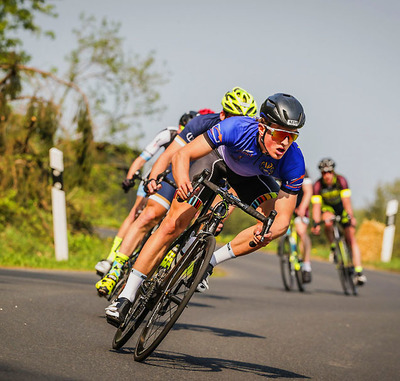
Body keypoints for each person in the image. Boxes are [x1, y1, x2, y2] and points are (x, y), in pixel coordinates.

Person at [105, 92, 307, 325]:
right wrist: (183, 182)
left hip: (250, 179)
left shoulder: (294, 160)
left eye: (292, 137)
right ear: (262, 126)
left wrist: (269, 231)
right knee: (173, 225)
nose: (285, 143)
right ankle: (125, 296)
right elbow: (184, 154)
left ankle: (209, 262)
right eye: (280, 134)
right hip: (216, 161)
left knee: (271, 227)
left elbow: (283, 219)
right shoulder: (236, 127)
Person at [97, 87, 257, 298]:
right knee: (150, 214)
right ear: (223, 115)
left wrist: (221, 217)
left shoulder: (248, 141)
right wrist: (154, 177)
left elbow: (236, 188)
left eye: (244, 120)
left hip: (208, 180)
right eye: (235, 118)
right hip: (179, 172)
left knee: (198, 225)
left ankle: (163, 281)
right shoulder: (202, 123)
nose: (239, 124)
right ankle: (115, 269)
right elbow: (171, 154)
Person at [94, 111, 198, 278]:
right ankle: (111, 257)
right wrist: (130, 176)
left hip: (172, 183)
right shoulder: (168, 134)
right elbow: (143, 157)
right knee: (137, 212)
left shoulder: (196, 143)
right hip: (154, 177)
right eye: (182, 129)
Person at [310, 158, 367, 285]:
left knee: (350, 237)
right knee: (327, 221)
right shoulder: (318, 185)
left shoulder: (341, 180)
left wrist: (351, 216)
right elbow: (316, 207)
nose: (327, 175)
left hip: (342, 209)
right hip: (328, 209)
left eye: (329, 172)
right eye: (324, 173)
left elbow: (347, 201)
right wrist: (315, 222)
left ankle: (359, 271)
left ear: (333, 171)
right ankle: (333, 247)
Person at [294, 169, 313, 283]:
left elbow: (308, 191)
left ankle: (306, 265)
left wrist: (302, 207)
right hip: (285, 203)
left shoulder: (301, 169)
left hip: (300, 204)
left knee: (301, 232)